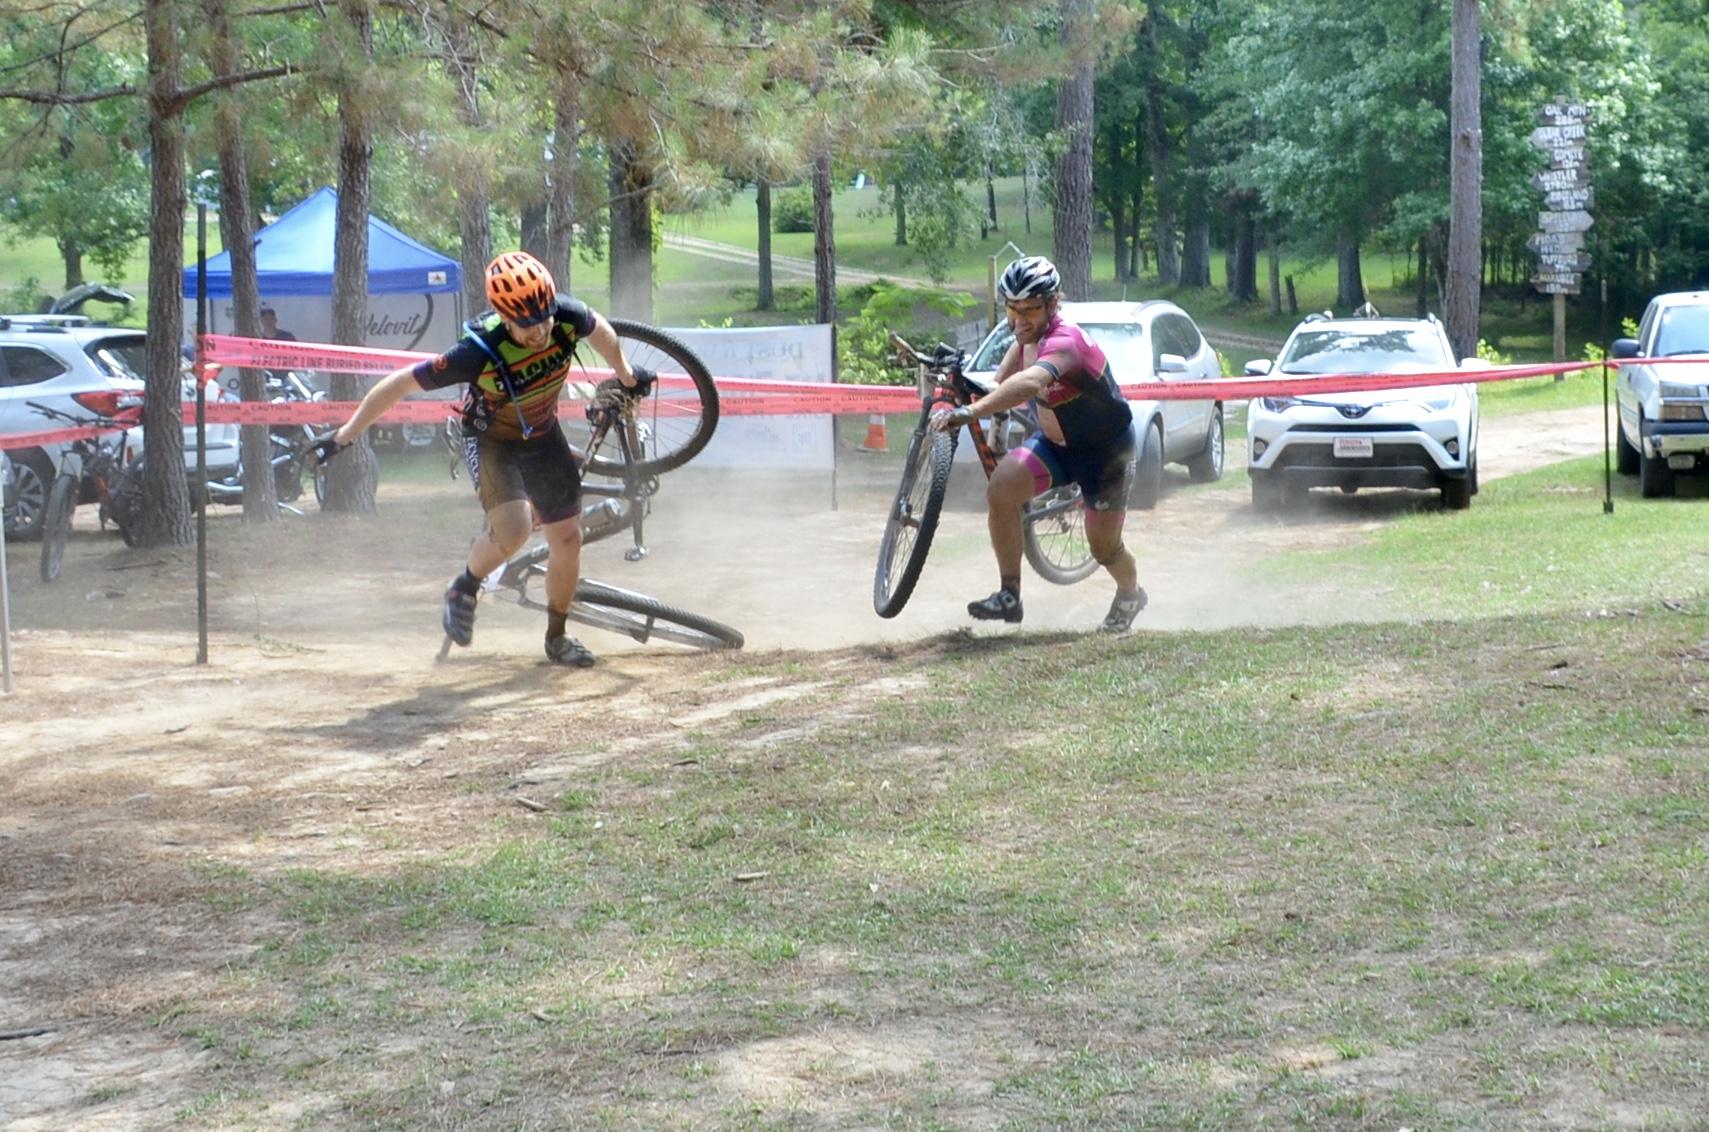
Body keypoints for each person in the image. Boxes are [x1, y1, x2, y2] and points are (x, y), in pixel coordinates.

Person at [313, 251, 653, 667]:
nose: (541, 331)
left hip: (542, 435)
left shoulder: (565, 314)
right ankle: (466, 585)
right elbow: (401, 384)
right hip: (491, 441)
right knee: (515, 531)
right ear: (505, 317)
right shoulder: (475, 352)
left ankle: (557, 637)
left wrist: (625, 375)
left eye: (545, 318)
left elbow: (601, 331)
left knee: (568, 538)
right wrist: (346, 435)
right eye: (528, 326)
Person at [931, 255, 1147, 633]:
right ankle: (1009, 595)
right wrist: (981, 405)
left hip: (1107, 453)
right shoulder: (1024, 338)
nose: (1019, 320)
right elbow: (1003, 384)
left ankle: (1130, 593)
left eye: (1030, 309)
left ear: (1052, 304)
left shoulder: (1066, 341)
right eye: (1012, 309)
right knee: (1001, 488)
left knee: (1104, 549)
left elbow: (1030, 383)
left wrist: (973, 412)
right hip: (1057, 445)